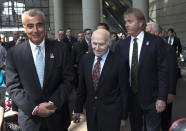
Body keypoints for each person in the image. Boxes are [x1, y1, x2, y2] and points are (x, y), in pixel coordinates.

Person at [6, 8, 74, 131]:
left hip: (57, 118)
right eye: (30, 26)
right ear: (25, 28)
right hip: (30, 121)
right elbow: (13, 87)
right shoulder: (13, 53)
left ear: (45, 25)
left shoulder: (61, 49)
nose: (35, 30)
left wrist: (53, 103)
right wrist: (35, 109)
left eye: (39, 25)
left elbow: (69, 80)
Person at [117, 8, 168, 131]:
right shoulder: (121, 45)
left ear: (140, 23)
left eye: (130, 21)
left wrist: (161, 97)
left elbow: (163, 71)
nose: (126, 24)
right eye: (125, 21)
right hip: (131, 98)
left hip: (152, 99)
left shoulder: (156, 42)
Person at [73, 29, 129, 131]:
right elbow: (82, 88)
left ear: (109, 43)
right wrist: (77, 109)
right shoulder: (85, 60)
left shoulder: (120, 62)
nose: (97, 48)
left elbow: (124, 92)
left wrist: (123, 116)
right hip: (91, 114)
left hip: (112, 114)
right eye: (94, 43)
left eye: (101, 44)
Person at [146, 22, 178, 131]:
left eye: (148, 32)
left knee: (165, 120)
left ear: (156, 33)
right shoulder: (146, 48)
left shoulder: (167, 48)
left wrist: (171, 91)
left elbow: (172, 72)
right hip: (151, 93)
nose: (145, 34)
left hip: (165, 92)